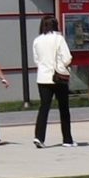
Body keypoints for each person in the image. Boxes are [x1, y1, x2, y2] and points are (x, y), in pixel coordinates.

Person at [31, 16, 76, 148]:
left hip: (42, 77)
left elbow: (36, 60)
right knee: (63, 108)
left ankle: (39, 137)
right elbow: (67, 58)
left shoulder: (37, 40)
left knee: (44, 107)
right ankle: (67, 139)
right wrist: (62, 65)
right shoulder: (59, 39)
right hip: (58, 77)